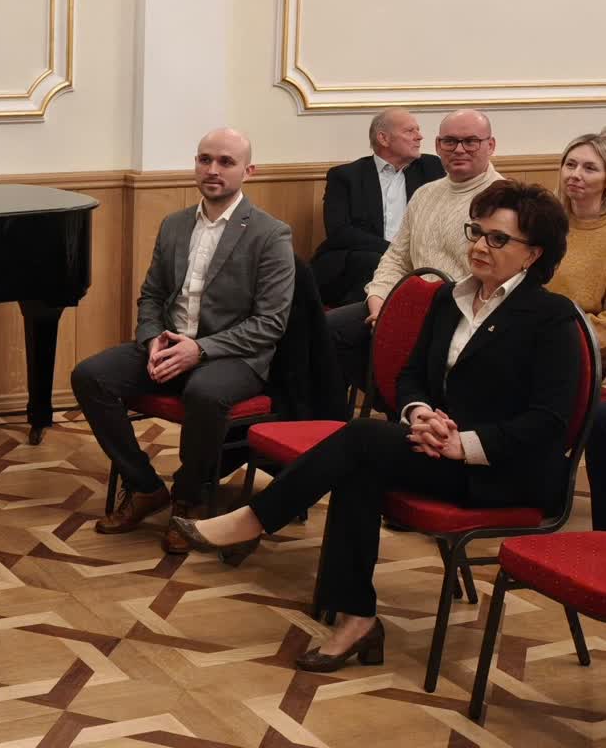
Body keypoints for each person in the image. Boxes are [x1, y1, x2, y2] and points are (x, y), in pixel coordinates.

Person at [171, 181, 579, 672]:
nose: (478, 246)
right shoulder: (449, 299)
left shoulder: (551, 318)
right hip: (436, 448)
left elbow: (549, 424)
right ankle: (357, 618)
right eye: (476, 231)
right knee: (359, 468)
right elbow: (411, 376)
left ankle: (254, 521)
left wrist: (462, 445)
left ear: (533, 254)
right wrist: (419, 413)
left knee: (362, 438)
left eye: (498, 239)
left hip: (505, 470)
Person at [71, 128, 294, 553]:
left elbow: (270, 323)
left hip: (234, 356)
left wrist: (200, 349)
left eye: (225, 162)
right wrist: (152, 340)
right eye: (204, 159)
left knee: (204, 392)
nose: (213, 170)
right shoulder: (174, 225)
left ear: (248, 171)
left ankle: (189, 500)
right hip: (171, 343)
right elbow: (152, 296)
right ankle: (145, 487)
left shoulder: (270, 234)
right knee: (91, 376)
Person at [327, 109, 503, 396]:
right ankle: (372, 408)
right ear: (438, 146)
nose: (459, 150)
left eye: (471, 141)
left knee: (410, 350)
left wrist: (415, 313)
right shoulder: (425, 194)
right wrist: (379, 303)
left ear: (490, 145)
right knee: (327, 331)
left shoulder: (504, 200)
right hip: (405, 304)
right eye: (450, 141)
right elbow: (396, 259)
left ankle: (405, 403)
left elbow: (492, 282)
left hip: (460, 315)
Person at [310, 108, 444, 306]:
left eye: (418, 130)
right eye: (410, 131)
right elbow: (340, 232)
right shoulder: (346, 176)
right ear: (383, 138)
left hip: (416, 258)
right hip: (362, 260)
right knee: (373, 264)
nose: (419, 136)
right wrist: (394, 252)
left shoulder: (431, 167)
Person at [545, 130, 606, 530]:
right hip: (537, 341)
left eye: (590, 168)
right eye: (570, 164)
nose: (576, 175)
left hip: (588, 352)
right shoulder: (546, 225)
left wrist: (565, 336)